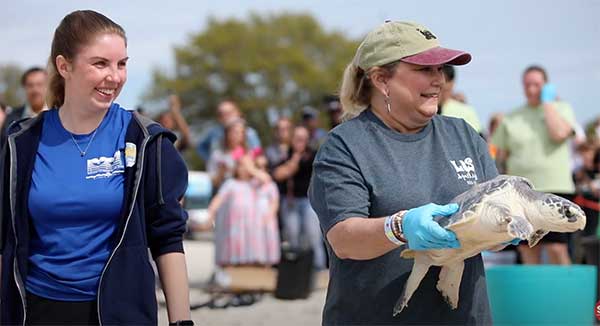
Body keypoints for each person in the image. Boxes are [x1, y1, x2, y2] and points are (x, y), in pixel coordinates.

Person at [0, 10, 192, 325]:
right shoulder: (21, 143)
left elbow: (168, 238)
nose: (114, 77)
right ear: (64, 66)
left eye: (122, 64)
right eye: (100, 63)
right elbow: (4, 239)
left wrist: (181, 322)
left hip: (121, 311)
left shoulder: (145, 140)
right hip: (37, 310)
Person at [308, 21, 500, 324]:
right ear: (382, 80)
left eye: (441, 70)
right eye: (425, 69)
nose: (439, 80)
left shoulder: (462, 135)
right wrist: (399, 226)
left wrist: (508, 227)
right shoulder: (344, 146)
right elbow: (343, 238)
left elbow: (496, 209)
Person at [491, 65, 577, 265]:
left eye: (536, 85)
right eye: (527, 85)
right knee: (528, 248)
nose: (531, 89)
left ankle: (567, 295)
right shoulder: (511, 117)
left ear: (546, 86)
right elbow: (496, 152)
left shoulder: (562, 109)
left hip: (556, 189)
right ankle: (536, 296)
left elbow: (559, 134)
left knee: (557, 248)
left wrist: (547, 103)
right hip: (523, 193)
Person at [274, 125, 326, 269]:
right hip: (291, 201)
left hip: (309, 201)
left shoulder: (313, 155)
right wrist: (295, 158)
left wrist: (294, 163)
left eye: (303, 139)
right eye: (297, 139)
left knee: (313, 236)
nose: (300, 142)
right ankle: (296, 271)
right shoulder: (286, 155)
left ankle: (318, 267)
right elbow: (278, 174)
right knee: (292, 236)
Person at [196, 100, 261, 162]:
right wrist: (210, 160)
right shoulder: (214, 132)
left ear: (238, 112)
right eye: (221, 114)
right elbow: (200, 147)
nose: (225, 116)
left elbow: (257, 152)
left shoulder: (249, 132)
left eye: (228, 113)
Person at [207, 118, 262, 189]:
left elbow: (259, 177)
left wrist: (250, 168)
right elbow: (213, 183)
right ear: (227, 134)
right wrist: (221, 172)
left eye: (241, 132)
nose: (237, 135)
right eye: (234, 132)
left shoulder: (249, 154)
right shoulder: (217, 155)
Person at [0, 66, 48, 147]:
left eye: (39, 84)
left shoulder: (57, 116)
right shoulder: (12, 118)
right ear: (24, 87)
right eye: (30, 85)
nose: (35, 90)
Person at [439, 65, 482, 134]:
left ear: (452, 83)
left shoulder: (467, 112)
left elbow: (478, 139)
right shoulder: (425, 111)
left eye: (446, 80)